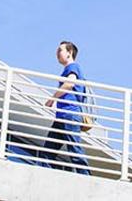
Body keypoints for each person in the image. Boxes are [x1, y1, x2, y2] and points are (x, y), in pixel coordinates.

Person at [39, 40, 89, 175]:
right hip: (62, 116)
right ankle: (46, 177)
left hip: (69, 114)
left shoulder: (73, 67)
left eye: (60, 50)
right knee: (47, 151)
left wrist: (52, 99)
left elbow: (70, 83)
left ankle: (87, 179)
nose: (57, 53)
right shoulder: (68, 69)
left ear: (70, 52)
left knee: (74, 150)